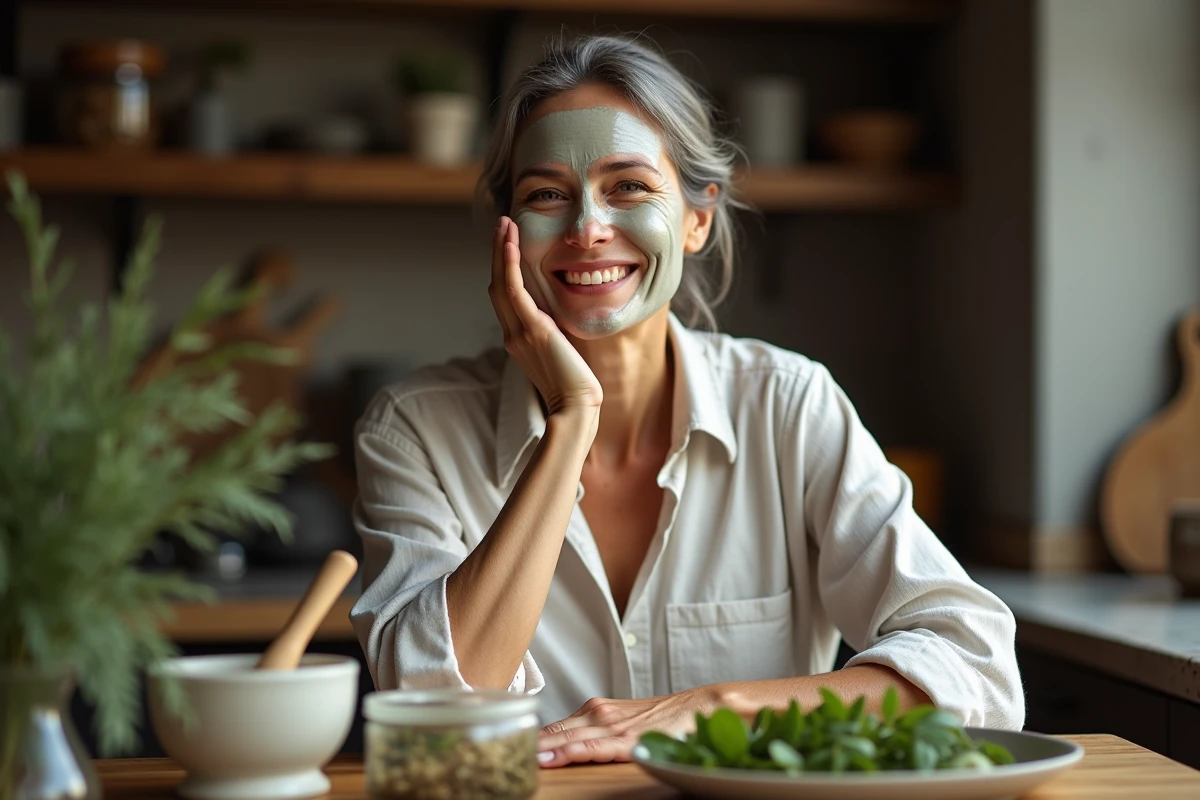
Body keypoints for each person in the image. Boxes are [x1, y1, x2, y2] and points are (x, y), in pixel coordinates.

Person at [350, 34, 1023, 769]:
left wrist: (712, 709)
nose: (586, 228)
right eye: (546, 195)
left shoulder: (788, 407)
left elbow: (977, 665)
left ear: (698, 217)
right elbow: (433, 710)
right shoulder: (414, 428)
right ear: (506, 232)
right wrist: (571, 420)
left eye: (629, 186)